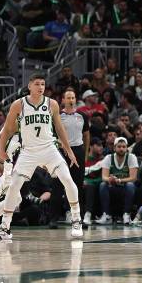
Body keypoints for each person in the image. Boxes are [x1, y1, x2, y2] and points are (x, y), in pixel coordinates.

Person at [0, 72, 83, 240]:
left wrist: (69, 150)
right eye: (37, 84)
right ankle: (4, 227)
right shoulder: (19, 104)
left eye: (43, 84)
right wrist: (1, 152)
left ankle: (76, 220)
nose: (41, 87)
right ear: (29, 86)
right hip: (28, 151)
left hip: (49, 148)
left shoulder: (52, 104)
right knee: (14, 186)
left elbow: (60, 129)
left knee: (67, 179)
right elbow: (7, 130)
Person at [49, 89, 90, 228]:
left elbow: (86, 135)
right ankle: (53, 218)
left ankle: (79, 218)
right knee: (57, 185)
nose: (71, 100)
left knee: (78, 186)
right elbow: (52, 134)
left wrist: (84, 154)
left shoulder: (83, 115)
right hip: (61, 151)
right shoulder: (57, 115)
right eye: (68, 98)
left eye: (73, 97)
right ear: (63, 100)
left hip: (78, 150)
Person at [95, 137, 138, 225]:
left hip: (125, 187)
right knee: (103, 184)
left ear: (126, 148)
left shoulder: (131, 157)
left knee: (130, 185)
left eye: (123, 147)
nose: (121, 149)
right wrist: (110, 179)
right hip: (112, 186)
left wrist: (119, 180)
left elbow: (133, 178)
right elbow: (104, 177)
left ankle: (126, 214)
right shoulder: (108, 158)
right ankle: (106, 215)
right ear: (114, 148)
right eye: (119, 147)